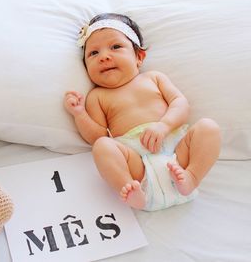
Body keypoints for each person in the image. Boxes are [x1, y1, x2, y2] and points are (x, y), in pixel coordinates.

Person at [64, 13, 221, 211]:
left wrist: (164, 126)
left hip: (177, 152)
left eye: (115, 47)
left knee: (209, 128)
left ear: (139, 57)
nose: (104, 56)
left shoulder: (154, 78)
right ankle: (129, 188)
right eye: (93, 53)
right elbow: (98, 136)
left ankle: (192, 176)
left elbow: (180, 103)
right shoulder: (97, 96)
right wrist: (79, 114)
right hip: (137, 164)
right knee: (103, 146)